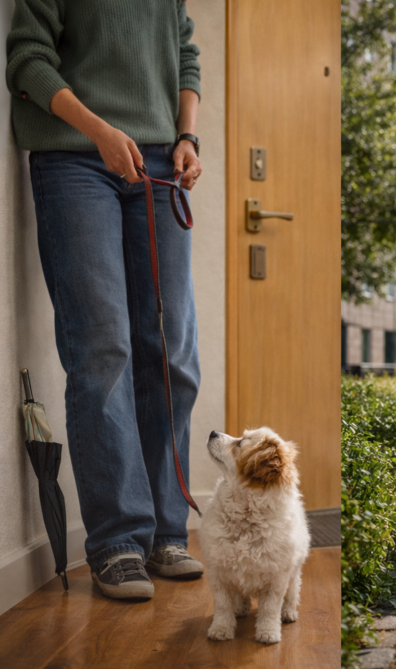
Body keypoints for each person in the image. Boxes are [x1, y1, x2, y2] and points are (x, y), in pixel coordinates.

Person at [6, 0, 205, 601]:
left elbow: (185, 57)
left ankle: (167, 532)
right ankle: (117, 542)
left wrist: (187, 134)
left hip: (160, 164)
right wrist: (98, 131)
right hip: (75, 162)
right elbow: (27, 61)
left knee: (171, 353)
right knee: (102, 351)